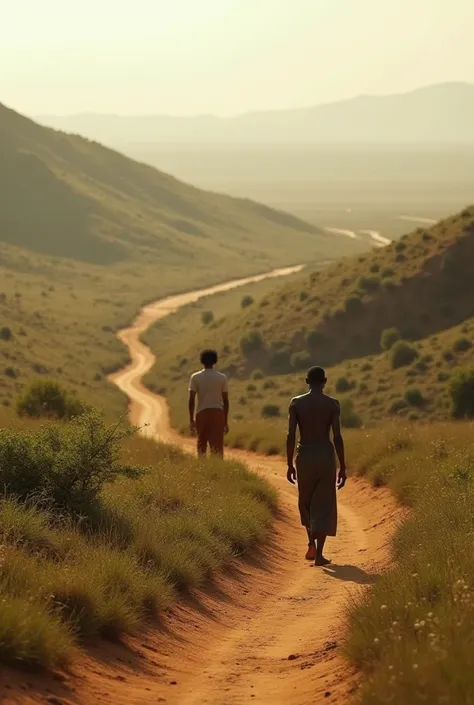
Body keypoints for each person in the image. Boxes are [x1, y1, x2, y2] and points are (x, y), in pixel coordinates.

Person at [286, 366, 347, 566]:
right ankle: (319, 554)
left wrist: (289, 463)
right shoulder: (332, 404)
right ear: (325, 381)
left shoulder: (296, 403)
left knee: (306, 499)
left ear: (306, 381)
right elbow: (337, 437)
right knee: (325, 503)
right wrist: (343, 467)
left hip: (304, 455)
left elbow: (290, 435)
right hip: (325, 456)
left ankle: (310, 541)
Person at [188, 349, 229, 458]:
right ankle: (217, 469)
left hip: (202, 413)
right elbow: (225, 401)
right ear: (215, 361)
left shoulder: (195, 377)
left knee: (201, 444)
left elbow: (191, 400)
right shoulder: (222, 378)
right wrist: (225, 421)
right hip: (218, 413)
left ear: (202, 361)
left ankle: (203, 469)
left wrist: (191, 420)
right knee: (217, 446)